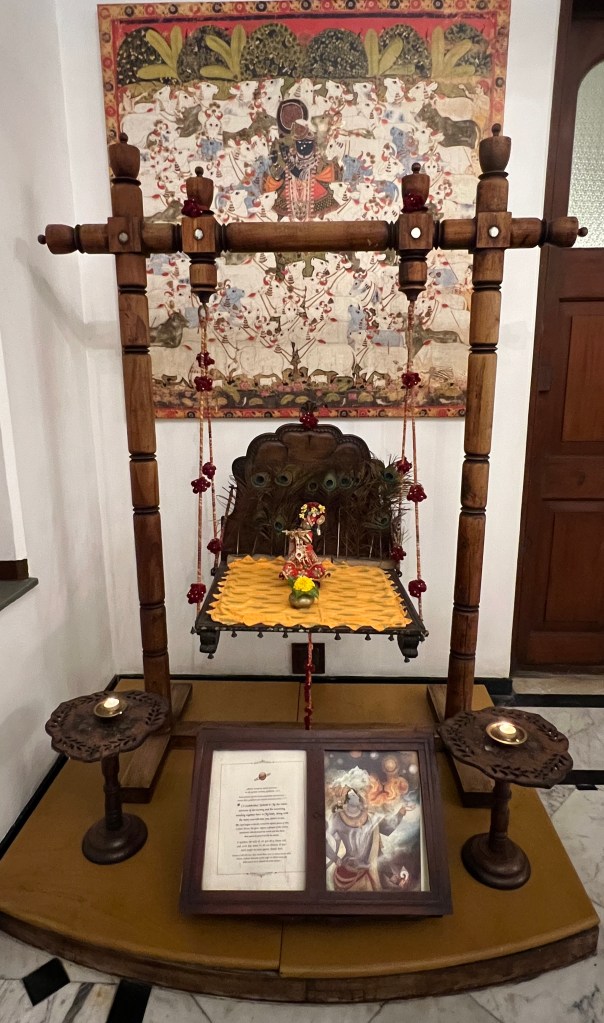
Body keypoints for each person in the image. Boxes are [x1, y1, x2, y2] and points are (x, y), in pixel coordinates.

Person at [281, 502, 328, 581]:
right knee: (291, 561)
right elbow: (294, 537)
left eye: (307, 524)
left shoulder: (309, 533)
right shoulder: (300, 529)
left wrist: (301, 535)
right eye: (303, 523)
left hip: (307, 551)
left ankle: (312, 577)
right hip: (298, 550)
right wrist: (293, 534)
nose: (304, 525)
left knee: (312, 565)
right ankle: (289, 575)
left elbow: (308, 541)